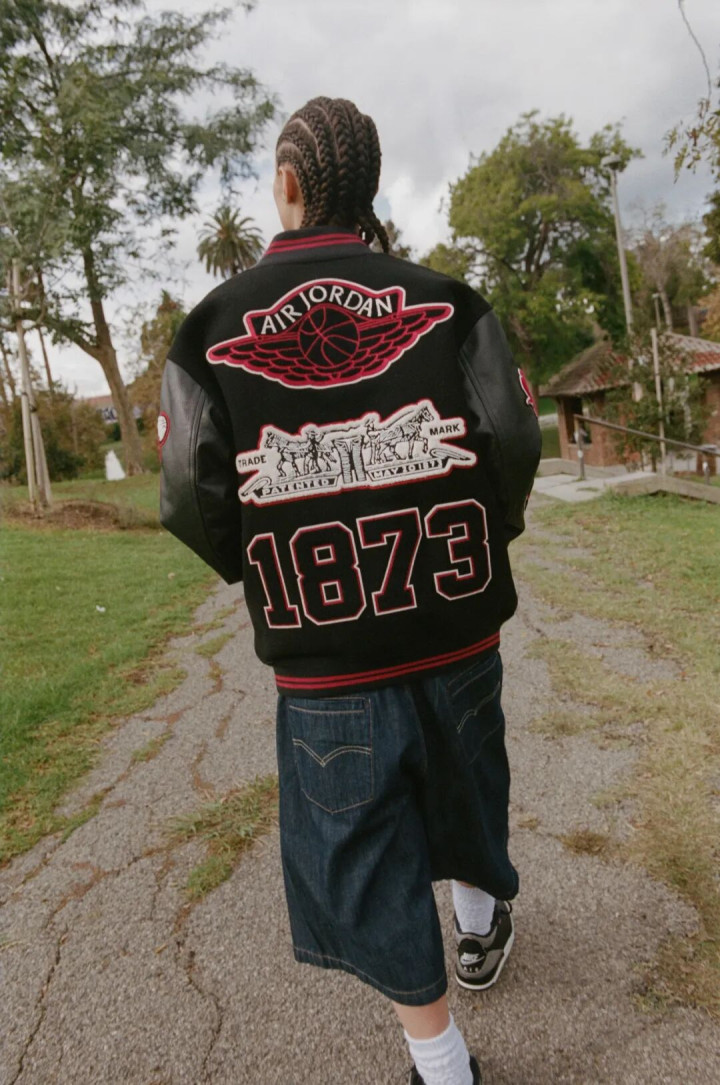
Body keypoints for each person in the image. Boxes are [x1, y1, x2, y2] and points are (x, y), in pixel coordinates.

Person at [159, 96, 541, 1085]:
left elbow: (189, 493)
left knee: (365, 855)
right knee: (467, 784)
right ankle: (478, 920)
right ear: (366, 187)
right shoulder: (450, 302)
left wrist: (268, 568)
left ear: (287, 184)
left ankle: (442, 1064)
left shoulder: (210, 328)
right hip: (457, 625)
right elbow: (513, 437)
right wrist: (481, 534)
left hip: (325, 663)